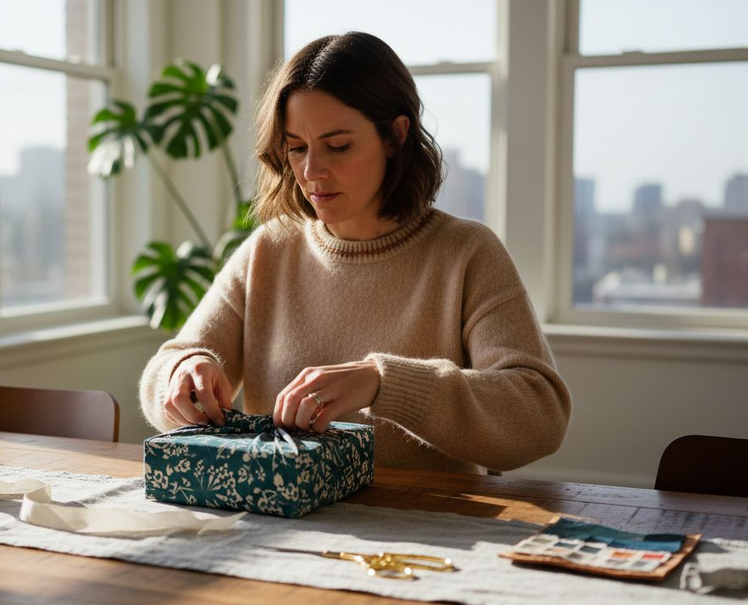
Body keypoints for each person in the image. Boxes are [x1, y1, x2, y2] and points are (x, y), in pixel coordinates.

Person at [138, 32, 570, 474]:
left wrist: (385, 383)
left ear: (395, 136)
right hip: (282, 526)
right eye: (297, 148)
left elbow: (540, 417)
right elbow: (166, 372)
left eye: (338, 146)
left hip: (429, 530)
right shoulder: (269, 249)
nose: (311, 172)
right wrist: (184, 370)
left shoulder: (467, 254)